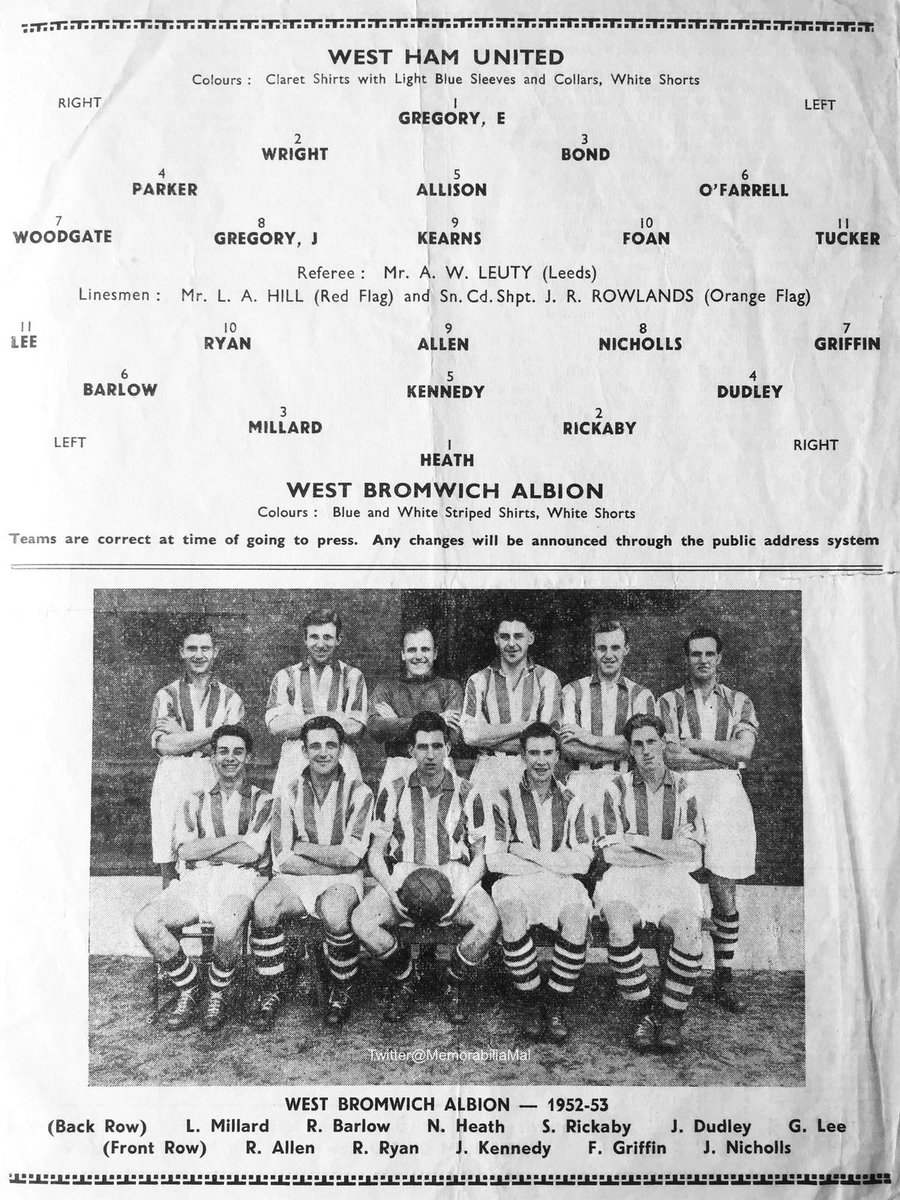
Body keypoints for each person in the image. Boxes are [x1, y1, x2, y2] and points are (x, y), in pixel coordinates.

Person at [352, 712, 499, 1025]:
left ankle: (452, 982)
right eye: (422, 747)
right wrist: (391, 889)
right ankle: (407, 976)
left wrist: (461, 891)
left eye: (437, 745)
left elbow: (481, 856)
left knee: (488, 922)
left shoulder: (469, 791)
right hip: (405, 873)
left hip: (455, 875)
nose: (430, 754)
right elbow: (375, 854)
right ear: (410, 750)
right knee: (362, 921)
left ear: (448, 747)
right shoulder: (392, 789)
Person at [134, 724, 273, 1032]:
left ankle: (217, 992)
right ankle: (190, 986)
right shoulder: (192, 800)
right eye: (222, 751)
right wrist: (232, 839)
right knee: (146, 923)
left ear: (248, 757)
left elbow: (250, 855)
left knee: (227, 926)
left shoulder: (264, 800)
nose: (229, 758)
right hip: (194, 883)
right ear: (212, 755)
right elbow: (184, 850)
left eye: (238, 752)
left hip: (240, 881)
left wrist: (206, 850)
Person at [656, 627, 759, 1013]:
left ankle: (724, 976)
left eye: (709, 654)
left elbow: (743, 750)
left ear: (719, 658)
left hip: (727, 796)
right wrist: (725, 752)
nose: (702, 660)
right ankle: (672, 972)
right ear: (687, 659)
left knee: (723, 888)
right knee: (675, 882)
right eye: (695, 654)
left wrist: (695, 743)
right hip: (682, 793)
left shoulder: (740, 701)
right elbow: (671, 758)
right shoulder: (668, 701)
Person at [249, 716, 374, 1030]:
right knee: (265, 906)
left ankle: (342, 989)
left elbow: (352, 856)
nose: (323, 752)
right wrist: (331, 860)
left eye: (330, 744)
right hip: (298, 877)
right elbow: (282, 858)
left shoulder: (361, 793)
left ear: (341, 749)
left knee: (334, 911)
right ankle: (271, 989)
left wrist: (304, 846)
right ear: (303, 750)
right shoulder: (288, 792)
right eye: (315, 745)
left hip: (344, 880)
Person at [592, 714, 706, 1052]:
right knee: (619, 926)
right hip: (624, 879)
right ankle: (644, 1013)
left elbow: (693, 855)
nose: (646, 751)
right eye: (638, 744)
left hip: (672, 880)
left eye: (652, 742)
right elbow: (612, 855)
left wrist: (638, 839)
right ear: (630, 750)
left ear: (664, 743)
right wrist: (668, 851)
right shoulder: (616, 787)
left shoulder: (685, 788)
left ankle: (671, 1015)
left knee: (688, 930)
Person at [486, 721, 593, 1043]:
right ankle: (532, 1003)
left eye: (548, 752)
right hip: (516, 881)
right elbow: (495, 859)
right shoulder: (503, 798)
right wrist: (549, 863)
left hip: (559, 880)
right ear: (522, 755)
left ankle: (556, 1004)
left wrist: (527, 852)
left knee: (575, 920)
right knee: (514, 919)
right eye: (534, 753)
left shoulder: (574, 800)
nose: (541, 761)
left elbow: (584, 861)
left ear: (559, 756)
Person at [149, 625, 244, 887]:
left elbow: (229, 746)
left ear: (215, 652)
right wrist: (214, 734)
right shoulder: (166, 695)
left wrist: (183, 735)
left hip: (212, 774)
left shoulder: (230, 698)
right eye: (192, 648)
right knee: (168, 842)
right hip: (173, 774)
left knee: (207, 842)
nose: (199, 654)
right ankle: (170, 905)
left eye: (205, 648)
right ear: (181, 652)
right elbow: (164, 745)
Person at [265, 607, 367, 797]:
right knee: (292, 819)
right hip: (295, 760)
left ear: (338, 640)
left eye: (327, 637)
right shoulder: (286, 676)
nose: (320, 644)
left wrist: (298, 721)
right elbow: (276, 725)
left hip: (340, 759)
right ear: (305, 639)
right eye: (314, 637)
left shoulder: (352, 676)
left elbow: (356, 728)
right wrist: (334, 718)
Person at [461, 614, 562, 795]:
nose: (512, 644)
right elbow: (470, 735)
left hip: (529, 770)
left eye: (518, 636)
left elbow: (549, 737)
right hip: (488, 771)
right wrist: (526, 727)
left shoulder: (547, 678)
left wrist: (489, 737)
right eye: (505, 637)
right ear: (496, 639)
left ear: (530, 638)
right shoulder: (478, 680)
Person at [560, 618, 655, 799]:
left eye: (615, 648)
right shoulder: (572, 690)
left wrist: (590, 739)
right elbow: (569, 747)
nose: (608, 655)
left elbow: (642, 746)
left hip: (626, 782)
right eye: (602, 648)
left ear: (626, 649)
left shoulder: (641, 695)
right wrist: (622, 748)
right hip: (581, 782)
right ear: (593, 651)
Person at [367, 624, 464, 793]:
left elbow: (453, 736)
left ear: (435, 653)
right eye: (412, 650)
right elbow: (375, 728)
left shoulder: (450, 688)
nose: (418, 656)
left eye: (425, 649)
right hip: (397, 768)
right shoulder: (386, 688)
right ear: (403, 654)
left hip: (439, 768)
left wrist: (396, 721)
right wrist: (438, 720)